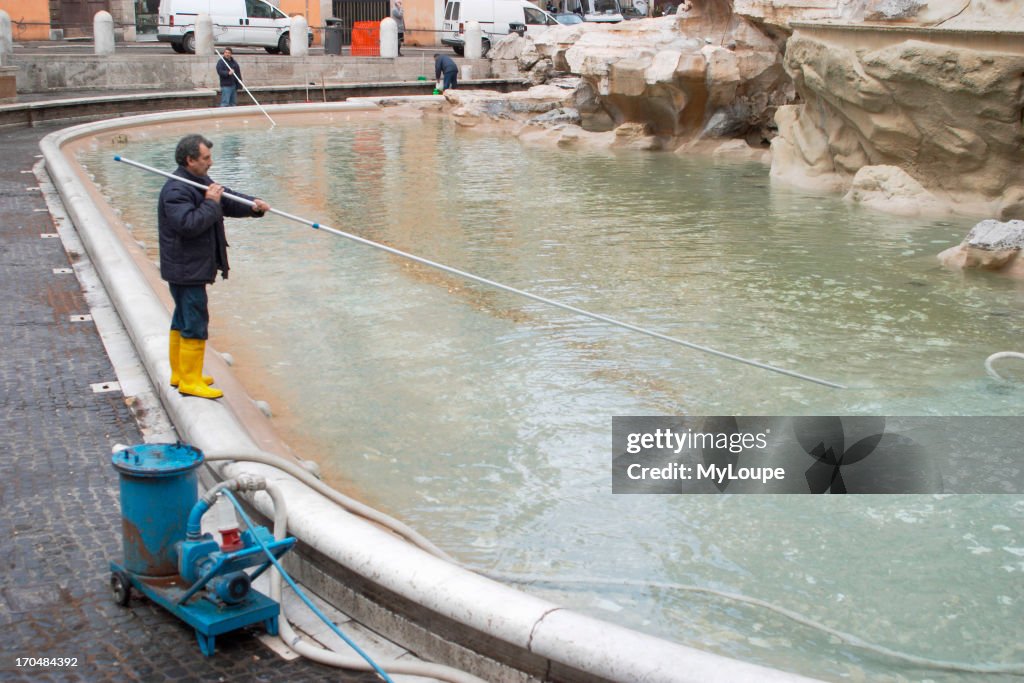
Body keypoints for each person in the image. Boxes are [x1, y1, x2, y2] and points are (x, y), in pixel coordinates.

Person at [158, 134, 270, 400]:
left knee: (183, 318)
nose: (211, 162)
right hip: (186, 268)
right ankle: (190, 381)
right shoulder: (176, 190)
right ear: (190, 160)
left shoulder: (198, 181)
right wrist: (210, 202)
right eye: (206, 158)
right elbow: (189, 224)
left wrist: (253, 205)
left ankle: (181, 373)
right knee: (195, 320)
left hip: (190, 266)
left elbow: (226, 199)